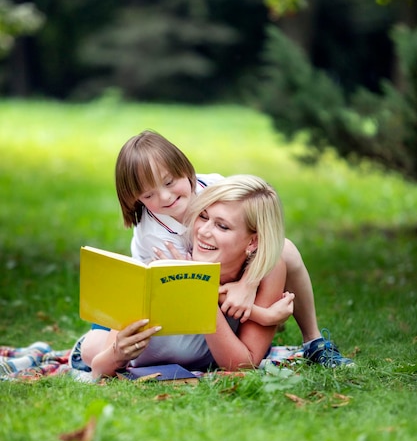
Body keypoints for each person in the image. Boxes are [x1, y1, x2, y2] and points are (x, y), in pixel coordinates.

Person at [114, 130, 353, 367]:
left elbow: (262, 235)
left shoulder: (215, 187)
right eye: (149, 194)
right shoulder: (153, 235)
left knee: (283, 248)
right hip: (179, 298)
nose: (165, 197)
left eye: (169, 182)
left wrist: (247, 284)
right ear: (135, 199)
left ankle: (313, 339)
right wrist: (263, 314)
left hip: (223, 273)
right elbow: (194, 288)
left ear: (185, 169)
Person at [74, 175, 294, 378]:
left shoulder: (267, 271)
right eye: (203, 217)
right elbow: (99, 369)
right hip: (111, 349)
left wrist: (200, 291)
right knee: (90, 351)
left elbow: (243, 365)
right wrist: (116, 353)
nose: (203, 231)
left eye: (222, 226)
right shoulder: (163, 268)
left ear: (253, 242)